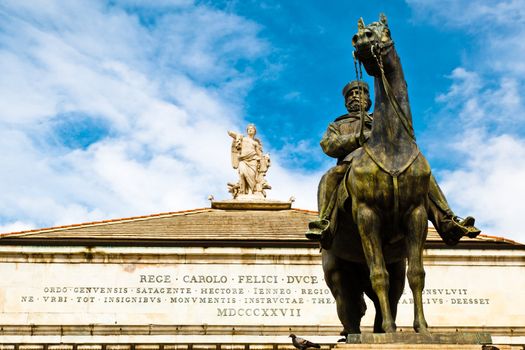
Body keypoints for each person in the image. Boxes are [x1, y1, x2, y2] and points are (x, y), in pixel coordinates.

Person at [305, 80, 480, 247]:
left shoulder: (382, 120)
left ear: (368, 99)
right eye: (350, 95)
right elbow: (329, 145)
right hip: (351, 163)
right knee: (329, 177)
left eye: (360, 93)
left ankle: (447, 221)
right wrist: (358, 138)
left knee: (423, 174)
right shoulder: (338, 124)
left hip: (388, 162)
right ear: (345, 102)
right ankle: (325, 223)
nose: (354, 96)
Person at [228, 124, 271, 198]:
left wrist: (265, 158)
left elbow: (259, 154)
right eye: (249, 129)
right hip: (243, 159)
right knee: (242, 174)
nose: (250, 130)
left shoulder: (256, 143)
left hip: (253, 160)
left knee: (252, 176)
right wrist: (238, 135)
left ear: (255, 131)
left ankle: (253, 192)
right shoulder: (243, 138)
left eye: (252, 129)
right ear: (247, 131)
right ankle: (243, 191)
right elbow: (230, 132)